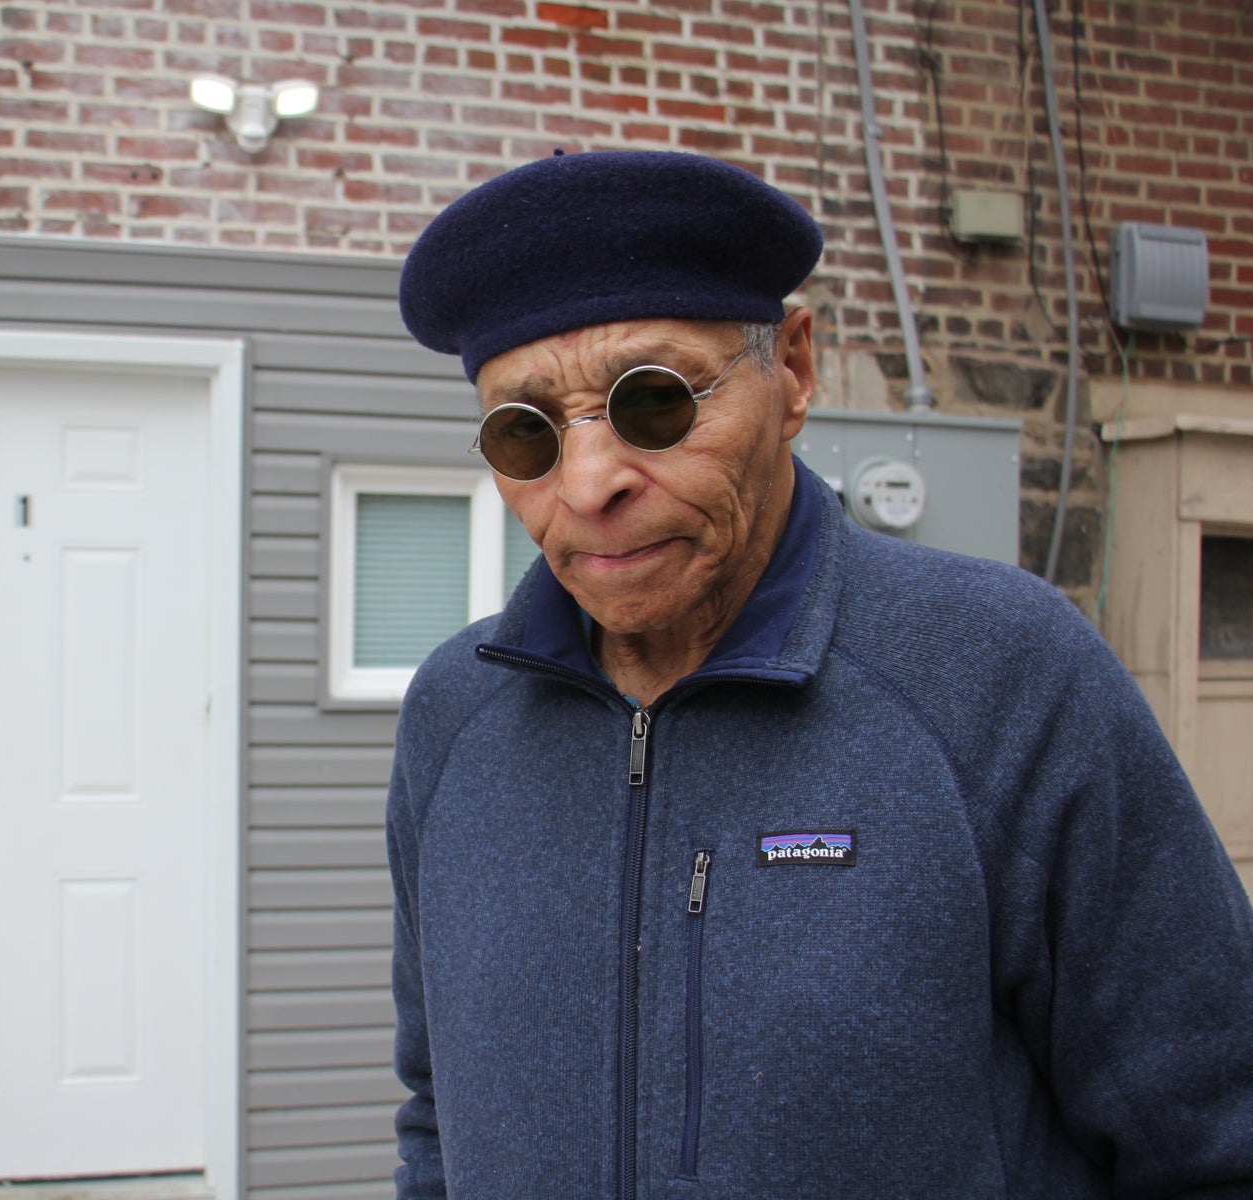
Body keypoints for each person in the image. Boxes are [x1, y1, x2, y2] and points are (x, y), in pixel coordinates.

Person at [386, 149, 1253, 1199]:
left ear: (794, 369)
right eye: (525, 432)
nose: (590, 482)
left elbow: (1214, 1136)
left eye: (654, 401)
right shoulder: (454, 713)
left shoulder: (1003, 673)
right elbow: (439, 1115)